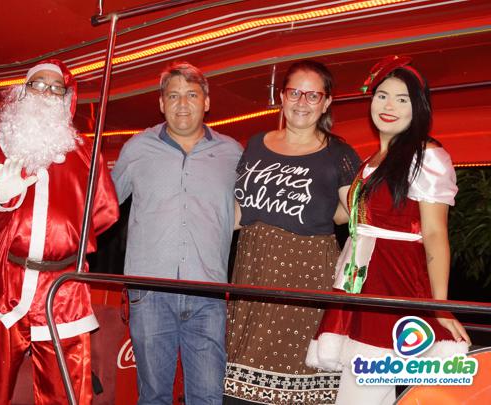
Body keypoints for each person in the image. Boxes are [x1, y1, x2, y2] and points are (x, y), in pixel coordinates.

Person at [306, 55, 470, 405]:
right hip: (361, 282)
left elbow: (436, 235)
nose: (389, 105)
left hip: (394, 286)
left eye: (402, 98)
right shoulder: (372, 160)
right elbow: (348, 217)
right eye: (382, 95)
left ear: (418, 107)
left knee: (359, 394)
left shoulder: (427, 156)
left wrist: (440, 306)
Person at [0, 59, 119, 405]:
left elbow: (105, 212)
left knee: (66, 393)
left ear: (67, 98)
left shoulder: (84, 154)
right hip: (8, 283)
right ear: (23, 91)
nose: (46, 93)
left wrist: (65, 237)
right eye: (37, 85)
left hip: (63, 290)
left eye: (55, 88)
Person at [224, 60, 361, 405]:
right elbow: (238, 211)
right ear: (281, 98)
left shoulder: (338, 153)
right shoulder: (256, 143)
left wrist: (324, 216)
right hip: (252, 268)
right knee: (240, 368)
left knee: (297, 372)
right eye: (294, 92)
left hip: (305, 274)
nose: (302, 102)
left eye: (312, 95)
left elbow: (355, 214)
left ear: (327, 103)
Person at [112, 61, 242, 404]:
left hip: (208, 292)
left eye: (191, 94)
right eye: (173, 96)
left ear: (207, 102)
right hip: (150, 290)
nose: (182, 104)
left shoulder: (233, 153)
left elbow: (252, 212)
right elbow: (101, 205)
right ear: (161, 103)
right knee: (154, 395)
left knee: (208, 396)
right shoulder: (137, 149)